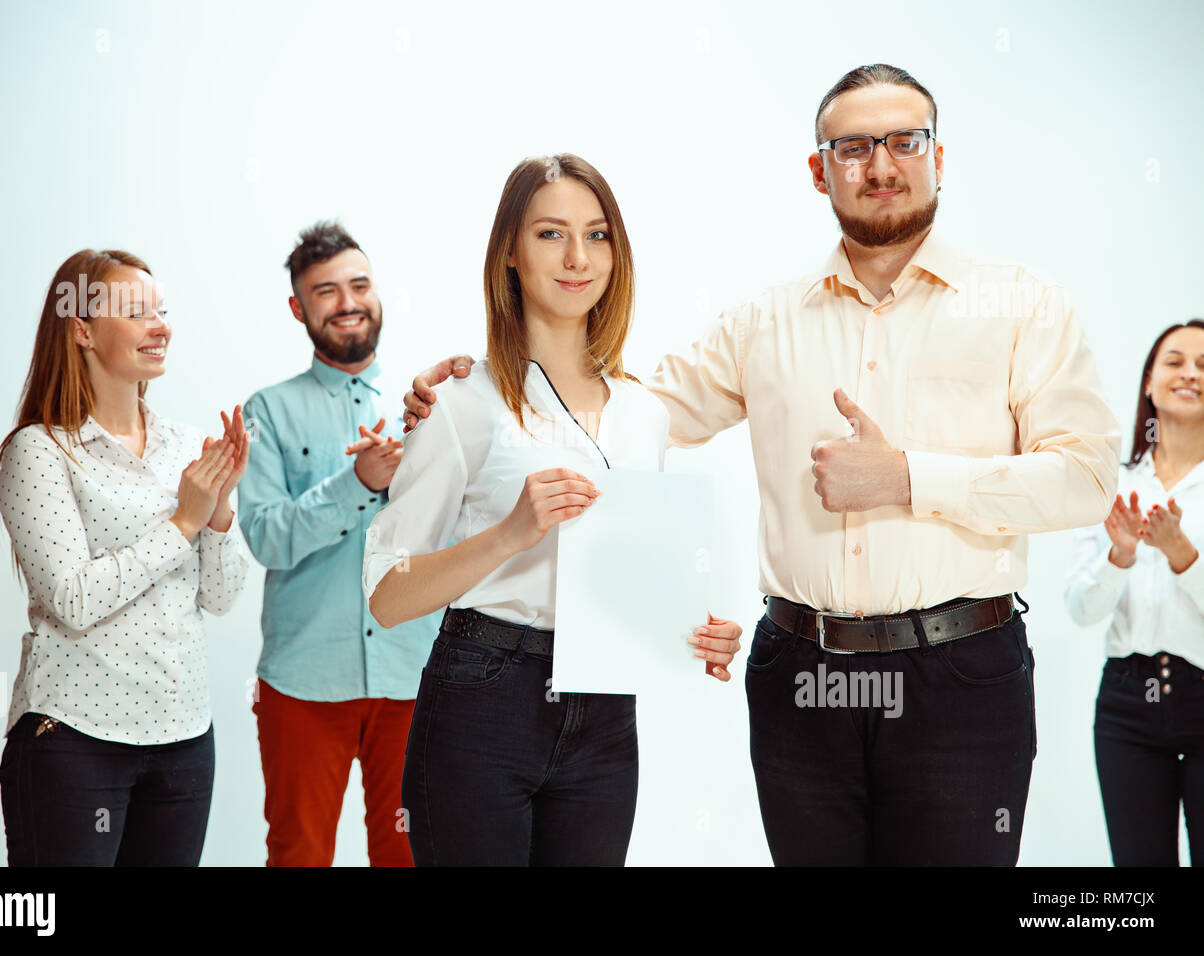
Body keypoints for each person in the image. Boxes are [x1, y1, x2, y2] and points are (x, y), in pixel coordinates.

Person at [401, 65, 1123, 865]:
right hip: (801, 680)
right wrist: (476, 394)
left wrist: (908, 477)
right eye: (853, 146)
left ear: (939, 156)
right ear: (820, 170)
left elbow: (1088, 480)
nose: (880, 165)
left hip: (959, 678)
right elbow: (614, 416)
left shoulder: (1023, 305)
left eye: (904, 142)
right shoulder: (763, 325)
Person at [362, 154, 743, 867]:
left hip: (604, 714)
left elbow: (631, 577)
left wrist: (697, 630)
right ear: (510, 250)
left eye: (597, 235)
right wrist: (511, 533)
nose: (577, 257)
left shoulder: (643, 413)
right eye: (550, 234)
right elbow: (387, 596)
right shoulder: (460, 402)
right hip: (482, 698)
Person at [0, 249, 250, 866]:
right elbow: (75, 600)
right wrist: (184, 520)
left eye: (161, 311)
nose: (160, 326)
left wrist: (217, 516)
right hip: (75, 740)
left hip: (184, 739)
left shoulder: (188, 445)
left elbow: (220, 598)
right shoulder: (39, 452)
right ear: (82, 329)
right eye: (138, 312)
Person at [236, 221, 440, 867]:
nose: (348, 301)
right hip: (302, 682)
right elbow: (266, 535)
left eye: (359, 284)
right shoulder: (265, 412)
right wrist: (355, 482)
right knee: (297, 853)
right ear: (299, 308)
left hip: (414, 676)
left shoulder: (431, 407)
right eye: (326, 291)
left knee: (408, 854)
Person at [1065, 319, 1204, 866]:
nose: (1190, 373)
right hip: (1127, 705)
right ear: (1149, 381)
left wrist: (1181, 554)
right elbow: (1081, 610)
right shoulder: (1112, 484)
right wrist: (1119, 556)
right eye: (1175, 361)